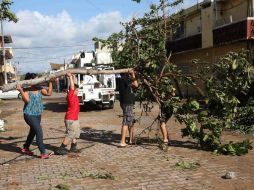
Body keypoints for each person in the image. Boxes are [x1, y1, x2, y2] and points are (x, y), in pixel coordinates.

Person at [16, 72, 55, 159]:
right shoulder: (26, 89)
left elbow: (49, 93)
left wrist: (51, 82)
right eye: (35, 79)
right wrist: (21, 91)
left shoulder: (39, 88)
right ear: (30, 80)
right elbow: (27, 101)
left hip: (38, 114)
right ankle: (43, 152)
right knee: (39, 131)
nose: (37, 81)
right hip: (29, 114)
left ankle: (26, 147)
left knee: (33, 131)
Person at [55, 72, 80, 155]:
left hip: (75, 118)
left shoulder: (75, 96)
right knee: (70, 133)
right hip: (70, 119)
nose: (77, 91)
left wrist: (73, 76)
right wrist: (69, 77)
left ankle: (73, 147)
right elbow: (72, 86)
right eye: (76, 90)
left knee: (75, 133)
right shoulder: (71, 95)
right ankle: (61, 148)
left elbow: (75, 85)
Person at [118, 70, 138, 147]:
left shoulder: (121, 80)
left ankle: (130, 139)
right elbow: (136, 85)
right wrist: (133, 74)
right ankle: (122, 142)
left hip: (124, 103)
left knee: (129, 120)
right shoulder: (125, 79)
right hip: (127, 103)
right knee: (126, 121)